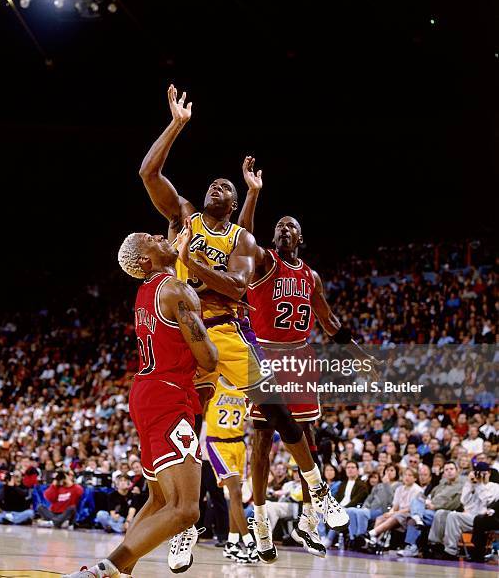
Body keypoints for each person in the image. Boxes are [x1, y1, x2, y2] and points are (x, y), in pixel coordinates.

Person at [139, 86, 350, 566]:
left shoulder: (242, 239)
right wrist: (176, 125)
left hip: (225, 328)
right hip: (184, 331)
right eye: (213, 183)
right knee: (184, 423)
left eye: (226, 187)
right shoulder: (184, 216)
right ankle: (184, 522)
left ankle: (318, 492)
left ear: (233, 203)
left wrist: (194, 262)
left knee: (273, 406)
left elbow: (236, 290)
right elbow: (148, 173)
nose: (217, 186)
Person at [237, 158, 380, 560]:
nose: (284, 229)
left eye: (291, 226)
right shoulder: (264, 261)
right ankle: (261, 519)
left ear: (301, 236)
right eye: (279, 225)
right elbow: (243, 236)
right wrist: (253, 192)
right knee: (262, 439)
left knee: (307, 437)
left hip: (300, 357)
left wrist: (361, 356)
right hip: (266, 356)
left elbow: (330, 322)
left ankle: (309, 519)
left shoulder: (311, 277)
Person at [62, 230, 218, 578]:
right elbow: (207, 358)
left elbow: (169, 267)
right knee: (185, 509)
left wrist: (181, 252)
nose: (162, 237)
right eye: (153, 238)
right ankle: (100, 572)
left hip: (147, 393)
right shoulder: (177, 290)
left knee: (160, 500)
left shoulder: (147, 290)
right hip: (168, 396)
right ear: (147, 260)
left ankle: (121, 573)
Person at [204, 379, 257, 563]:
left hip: (239, 445)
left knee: (237, 496)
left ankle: (232, 543)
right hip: (217, 443)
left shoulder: (245, 388)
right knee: (234, 492)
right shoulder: (213, 383)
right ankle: (249, 542)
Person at [427, 462, 499, 560]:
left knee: (453, 516)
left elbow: (487, 501)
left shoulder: (495, 487)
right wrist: (469, 484)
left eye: (484, 473)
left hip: (481, 519)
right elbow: (463, 501)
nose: (481, 475)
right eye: (478, 472)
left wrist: (480, 485)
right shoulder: (473, 483)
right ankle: (435, 545)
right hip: (468, 515)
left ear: (489, 473)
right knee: (440, 513)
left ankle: (451, 551)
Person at [398, 460, 464, 557]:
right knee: (416, 499)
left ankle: (413, 545)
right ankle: (417, 519)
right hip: (428, 510)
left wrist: (434, 506)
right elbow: (428, 496)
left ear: (457, 471)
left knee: (413, 518)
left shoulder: (461, 487)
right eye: (446, 470)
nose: (449, 471)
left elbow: (454, 505)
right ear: (444, 473)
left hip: (442, 513)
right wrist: (426, 502)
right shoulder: (441, 485)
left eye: (451, 469)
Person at [366, 468, 423, 546]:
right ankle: (374, 541)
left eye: (410, 475)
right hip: (398, 513)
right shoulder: (399, 489)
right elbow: (395, 506)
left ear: (415, 478)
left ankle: (371, 533)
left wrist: (394, 513)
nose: (407, 477)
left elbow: (410, 508)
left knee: (395, 517)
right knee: (380, 518)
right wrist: (390, 512)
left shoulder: (417, 490)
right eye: (405, 475)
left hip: (409, 514)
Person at [346, 466, 400, 549]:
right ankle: (353, 538)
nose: (389, 472)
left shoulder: (398, 486)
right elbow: (369, 499)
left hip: (383, 510)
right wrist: (365, 507)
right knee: (349, 511)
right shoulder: (378, 486)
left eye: (392, 470)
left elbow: (392, 500)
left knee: (361, 513)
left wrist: (387, 485)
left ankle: (362, 539)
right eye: (387, 470)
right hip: (370, 509)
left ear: (396, 473)